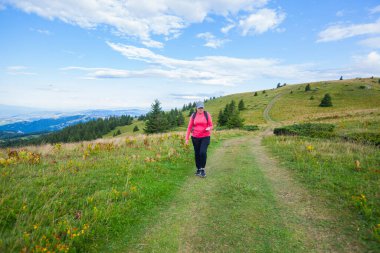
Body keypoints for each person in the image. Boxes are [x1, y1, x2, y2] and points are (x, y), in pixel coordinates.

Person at [185, 101, 213, 178]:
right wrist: (186, 138)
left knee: (202, 152)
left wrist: (209, 128)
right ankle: (198, 169)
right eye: (199, 108)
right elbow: (189, 127)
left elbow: (211, 125)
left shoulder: (207, 114)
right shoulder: (193, 115)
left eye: (202, 107)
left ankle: (203, 169)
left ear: (203, 107)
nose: (201, 109)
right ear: (196, 108)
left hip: (205, 136)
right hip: (195, 137)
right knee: (197, 153)